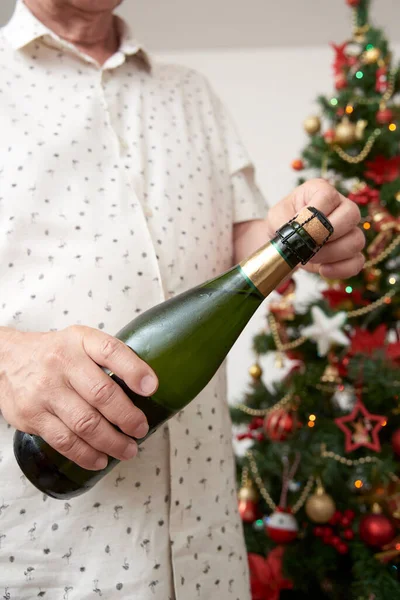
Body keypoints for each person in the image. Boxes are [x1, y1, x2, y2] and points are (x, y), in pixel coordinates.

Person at [0, 1, 365, 598]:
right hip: (46, 558)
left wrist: (298, 232)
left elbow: (244, 242)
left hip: (208, 557)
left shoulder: (193, 94)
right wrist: (6, 356)